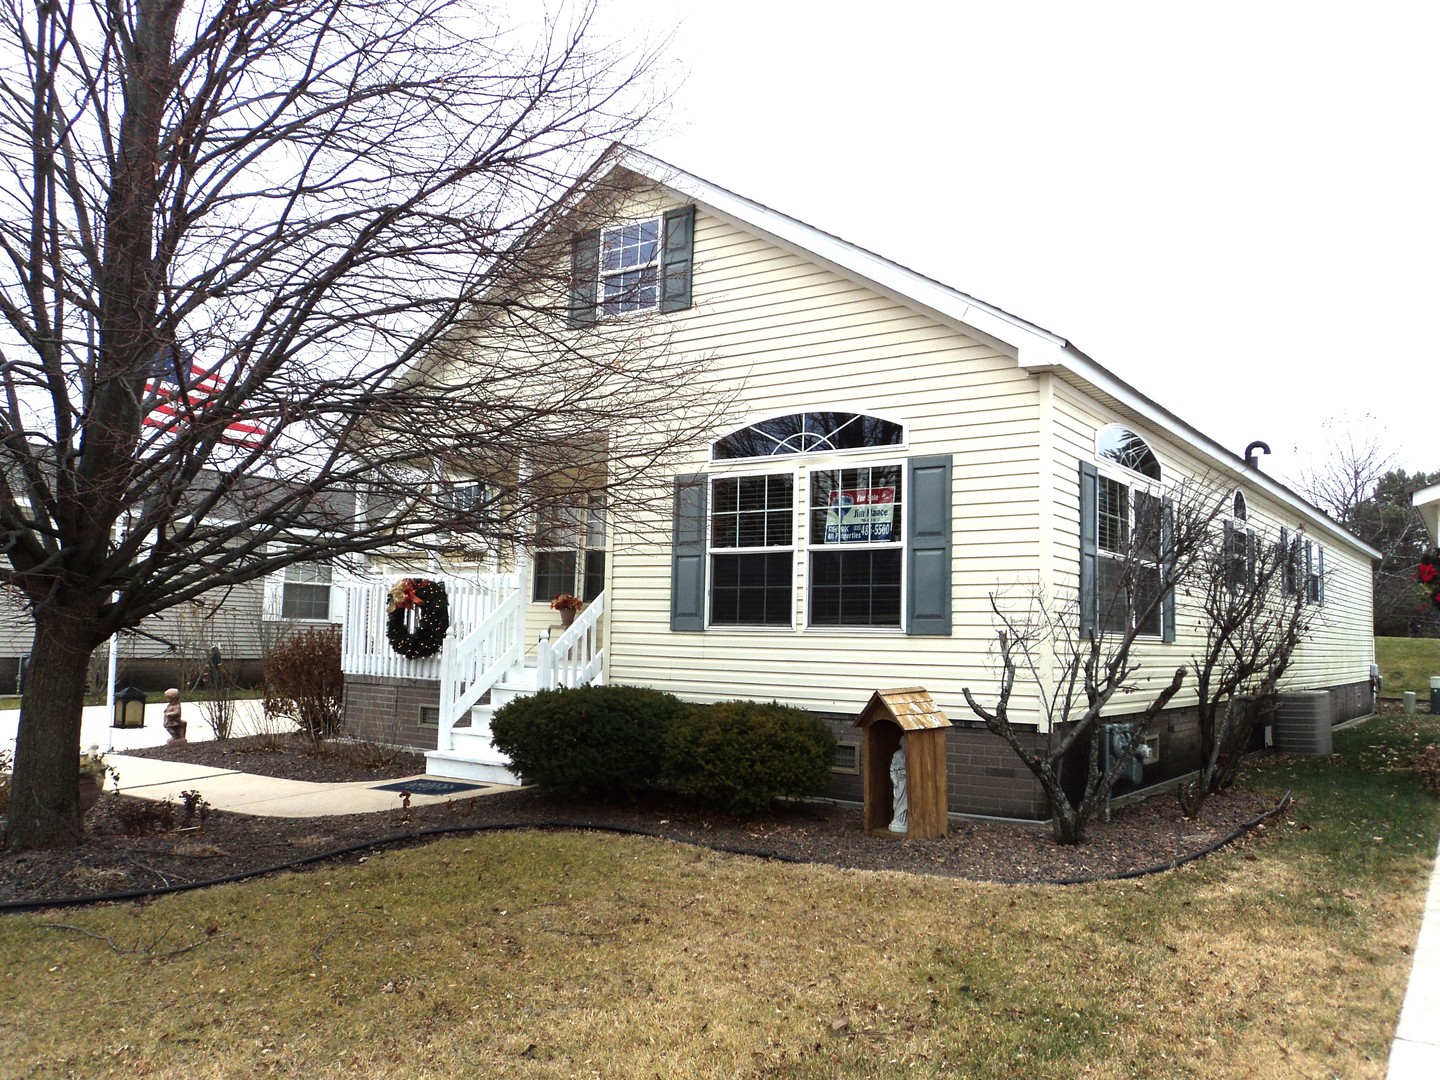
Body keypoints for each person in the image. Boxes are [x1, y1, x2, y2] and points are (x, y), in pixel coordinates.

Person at [888, 743, 908, 834]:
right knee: (898, 799)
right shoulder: (897, 754)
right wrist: (895, 780)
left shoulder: (910, 753)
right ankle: (897, 819)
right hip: (900, 781)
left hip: (907, 780)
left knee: (906, 801)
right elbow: (892, 769)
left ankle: (904, 820)